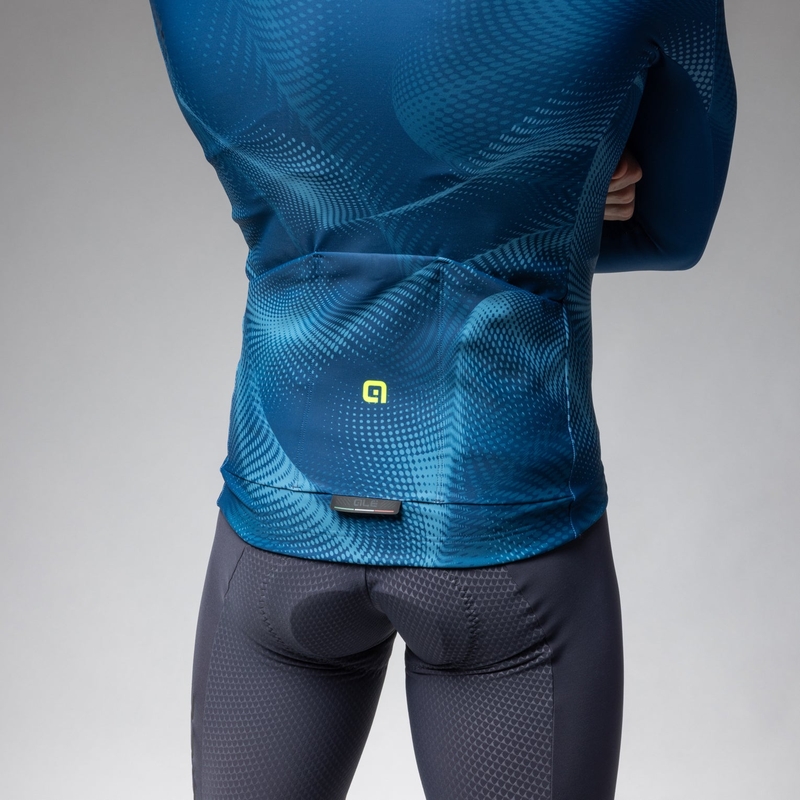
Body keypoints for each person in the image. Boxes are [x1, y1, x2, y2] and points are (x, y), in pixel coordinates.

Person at [148, 1, 736, 798]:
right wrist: (554, 195)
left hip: (281, 514)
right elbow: (673, 231)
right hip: (503, 525)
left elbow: (314, 183)